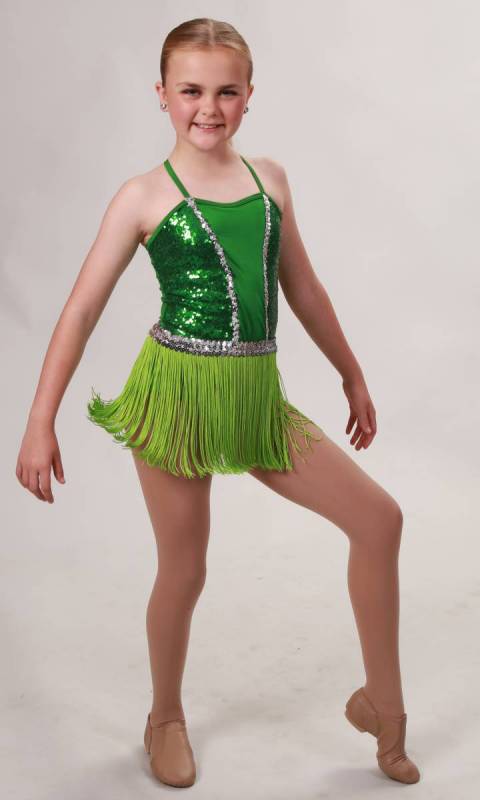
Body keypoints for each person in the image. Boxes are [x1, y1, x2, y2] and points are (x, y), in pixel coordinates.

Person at [15, 16, 421, 789]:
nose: (209, 107)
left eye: (226, 91)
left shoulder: (270, 181)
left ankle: (383, 706)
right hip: (175, 398)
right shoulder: (142, 197)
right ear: (162, 94)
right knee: (185, 569)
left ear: (249, 95)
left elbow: (303, 286)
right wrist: (40, 420)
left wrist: (351, 373)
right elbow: (80, 309)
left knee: (380, 520)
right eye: (192, 90)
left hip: (255, 400)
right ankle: (164, 717)